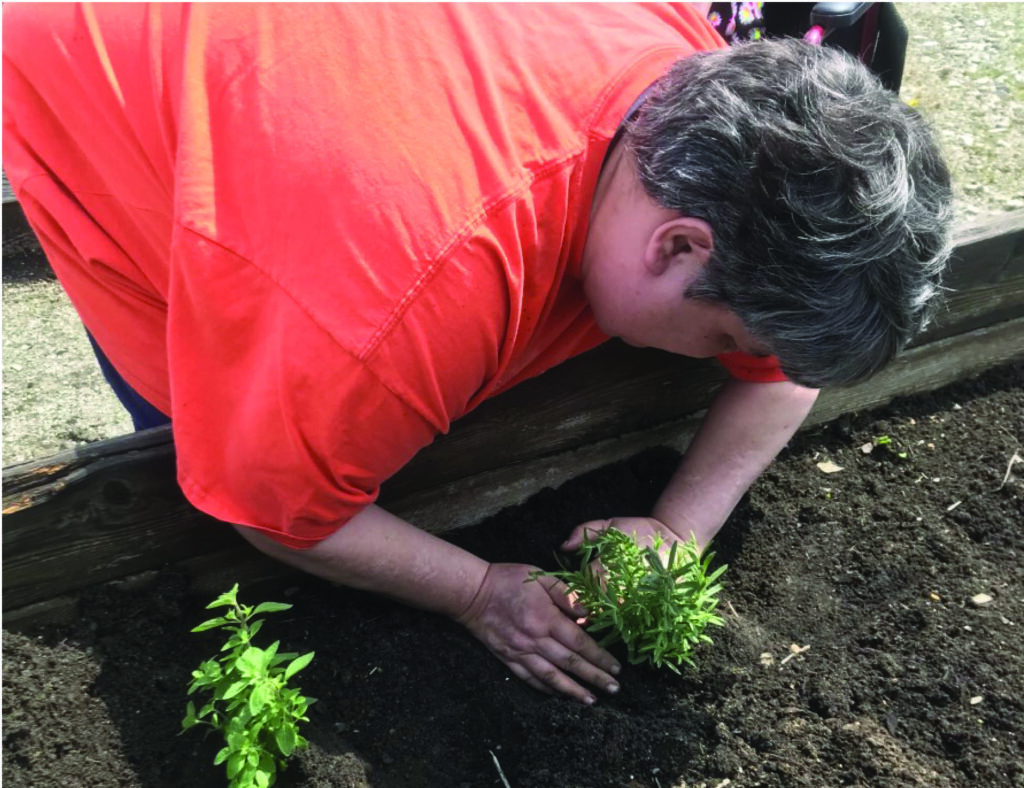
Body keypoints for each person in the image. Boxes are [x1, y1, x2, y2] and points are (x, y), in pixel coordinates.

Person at [2, 3, 952, 705]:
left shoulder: (720, 110)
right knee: (212, 434)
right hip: (93, 57)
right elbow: (276, 507)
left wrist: (680, 527)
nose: (736, 362)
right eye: (726, 341)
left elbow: (790, 362)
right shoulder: (386, 304)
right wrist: (479, 591)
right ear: (679, 246)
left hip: (331, 74)